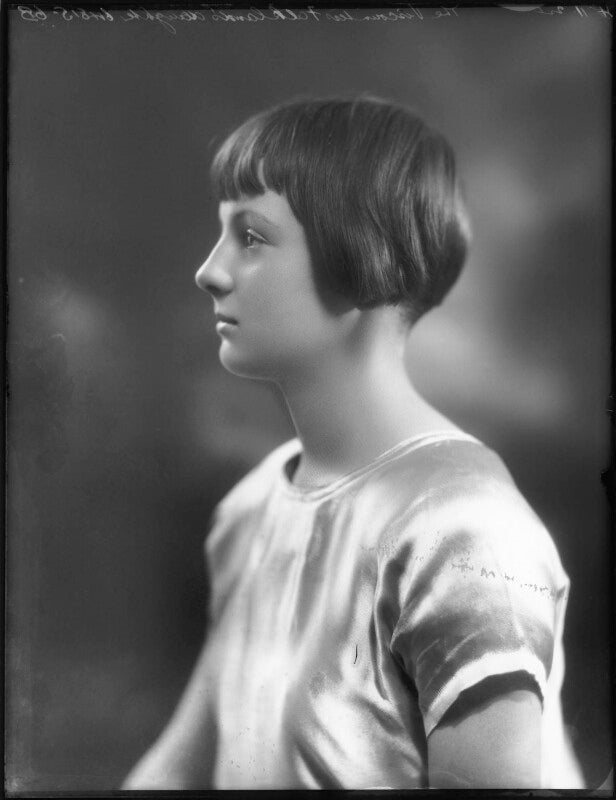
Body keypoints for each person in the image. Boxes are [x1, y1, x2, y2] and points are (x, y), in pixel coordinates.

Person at [123, 96, 583, 790]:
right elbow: (181, 769)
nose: (209, 271)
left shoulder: (466, 534)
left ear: (364, 255)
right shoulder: (251, 510)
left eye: (251, 237)